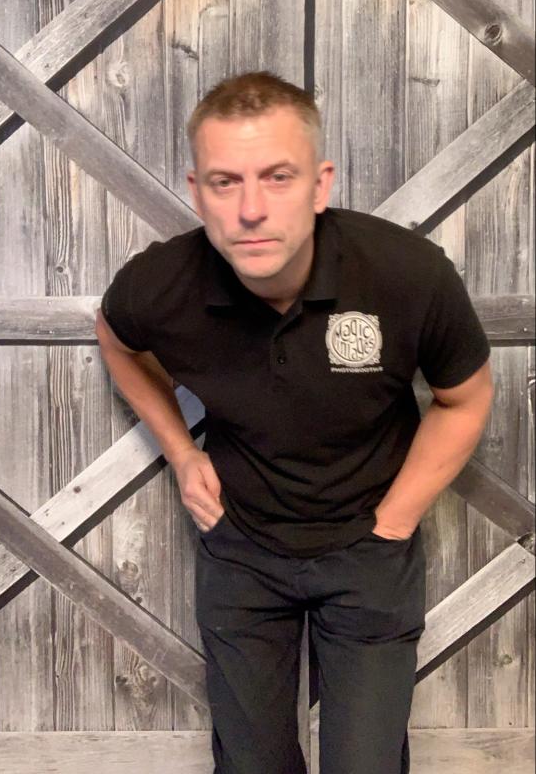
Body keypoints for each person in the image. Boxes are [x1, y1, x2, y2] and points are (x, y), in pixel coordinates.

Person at [96, 71, 493, 774]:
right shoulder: (161, 284)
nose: (250, 209)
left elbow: (465, 398)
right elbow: (115, 338)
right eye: (225, 182)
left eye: (277, 177)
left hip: (369, 550)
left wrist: (396, 519)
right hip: (240, 548)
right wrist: (182, 453)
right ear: (197, 192)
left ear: (319, 185)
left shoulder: (407, 275)